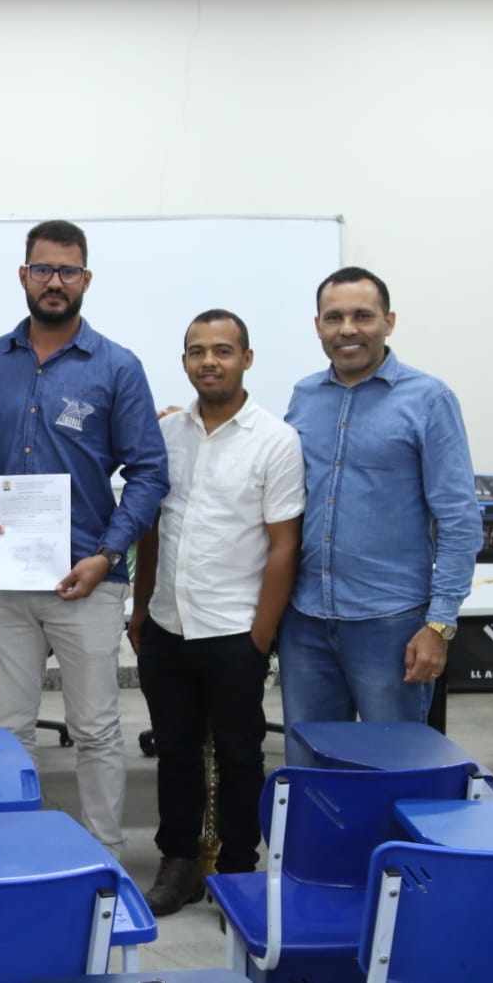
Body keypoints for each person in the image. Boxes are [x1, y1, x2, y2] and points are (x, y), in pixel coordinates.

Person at [0, 219, 167, 858]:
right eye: (43, 269)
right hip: (6, 579)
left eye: (68, 271)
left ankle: (102, 859)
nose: (55, 282)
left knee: (95, 728)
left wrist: (107, 555)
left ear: (86, 279)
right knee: (8, 730)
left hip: (86, 577)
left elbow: (149, 471)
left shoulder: (117, 367)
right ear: (24, 275)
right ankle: (12, 855)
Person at [127, 310, 304, 915]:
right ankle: (178, 865)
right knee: (175, 751)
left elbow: (284, 544)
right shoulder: (165, 434)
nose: (209, 361)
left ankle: (236, 872)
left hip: (234, 630)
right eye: (197, 351)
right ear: (184, 362)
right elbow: (153, 529)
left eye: (223, 350)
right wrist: (141, 606)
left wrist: (261, 635)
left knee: (239, 755)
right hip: (168, 624)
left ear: (246, 359)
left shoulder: (275, 439)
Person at [280, 268, 480, 761]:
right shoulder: (304, 396)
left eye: (362, 316)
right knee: (311, 769)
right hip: (306, 623)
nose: (347, 328)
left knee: (394, 768)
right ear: (318, 326)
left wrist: (439, 625)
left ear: (388, 321)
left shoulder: (429, 399)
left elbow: (458, 520)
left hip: (391, 627)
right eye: (334, 317)